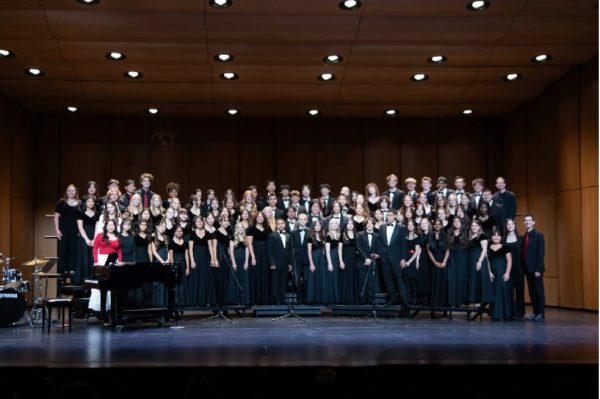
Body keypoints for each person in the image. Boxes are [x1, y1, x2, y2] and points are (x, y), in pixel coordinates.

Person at [379, 210, 409, 306]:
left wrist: (403, 258)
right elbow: (380, 243)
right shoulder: (382, 227)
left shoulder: (401, 228)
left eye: (390, 215)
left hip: (396, 258)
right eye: (387, 215)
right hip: (384, 258)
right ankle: (392, 299)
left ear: (395, 216)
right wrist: (380, 254)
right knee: (388, 280)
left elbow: (403, 244)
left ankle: (405, 302)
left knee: (399, 280)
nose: (388, 217)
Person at [522, 214, 546, 321]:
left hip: (536, 269)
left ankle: (541, 313)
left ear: (533, 222)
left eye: (529, 220)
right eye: (525, 221)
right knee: (531, 291)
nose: (527, 222)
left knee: (539, 291)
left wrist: (538, 269)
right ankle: (535, 312)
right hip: (527, 269)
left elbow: (541, 254)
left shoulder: (538, 235)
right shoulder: (525, 236)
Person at [55, 184, 81, 279]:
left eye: (72, 191)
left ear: (76, 192)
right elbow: (56, 216)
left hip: (75, 230)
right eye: (69, 190)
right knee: (63, 250)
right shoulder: (61, 202)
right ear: (66, 192)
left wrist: (80, 230)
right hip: (63, 230)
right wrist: (57, 230)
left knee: (73, 250)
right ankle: (63, 270)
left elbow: (80, 217)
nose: (71, 192)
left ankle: (71, 269)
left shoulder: (79, 203)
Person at [189, 216, 216, 307]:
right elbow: (190, 249)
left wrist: (212, 258)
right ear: (195, 223)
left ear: (203, 222)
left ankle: (206, 301)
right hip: (196, 258)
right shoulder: (192, 234)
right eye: (197, 221)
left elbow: (210, 247)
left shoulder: (207, 233)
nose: (199, 223)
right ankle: (196, 302)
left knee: (205, 279)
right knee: (197, 279)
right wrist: (192, 261)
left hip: (205, 258)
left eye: (201, 221)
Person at [488, 228, 514, 320]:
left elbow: (509, 261)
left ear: (501, 237)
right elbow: (486, 261)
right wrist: (489, 272)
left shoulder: (506, 247)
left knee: (504, 293)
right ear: (491, 237)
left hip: (503, 272)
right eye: (494, 235)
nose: (496, 237)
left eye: (498, 235)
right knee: (494, 294)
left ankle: (507, 315)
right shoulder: (488, 247)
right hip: (493, 274)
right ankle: (495, 315)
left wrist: (507, 273)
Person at [247, 212, 271, 305]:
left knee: (265, 275)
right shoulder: (251, 229)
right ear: (255, 218)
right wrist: (253, 257)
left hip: (266, 254)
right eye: (258, 217)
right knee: (256, 276)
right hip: (256, 253)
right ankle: (256, 300)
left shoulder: (268, 228)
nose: (260, 218)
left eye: (262, 217)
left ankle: (265, 300)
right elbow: (249, 244)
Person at [356, 218, 382, 304]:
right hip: (362, 261)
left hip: (373, 261)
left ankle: (371, 301)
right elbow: (358, 248)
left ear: (374, 225)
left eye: (371, 223)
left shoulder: (377, 235)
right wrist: (366, 258)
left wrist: (376, 255)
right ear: (365, 225)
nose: (370, 225)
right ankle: (362, 301)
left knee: (371, 282)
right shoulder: (360, 234)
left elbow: (379, 248)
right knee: (362, 282)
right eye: (368, 223)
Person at [268, 218, 293, 305]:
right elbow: (269, 251)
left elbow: (290, 250)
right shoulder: (272, 235)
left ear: (285, 225)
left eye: (282, 223)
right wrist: (272, 263)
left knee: (283, 282)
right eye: (278, 224)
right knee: (276, 282)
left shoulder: (288, 235)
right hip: (276, 263)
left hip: (285, 263)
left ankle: (282, 299)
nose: (280, 225)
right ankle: (276, 299)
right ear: (276, 225)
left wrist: (290, 263)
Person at [446, 216, 469, 307]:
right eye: (454, 221)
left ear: (461, 223)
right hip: (452, 258)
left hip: (462, 258)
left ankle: (461, 301)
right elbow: (447, 247)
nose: (456, 223)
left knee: (461, 279)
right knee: (452, 279)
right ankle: (452, 301)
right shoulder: (449, 233)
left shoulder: (465, 233)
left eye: (458, 221)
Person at [504, 218, 525, 319]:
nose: (510, 226)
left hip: (519, 268)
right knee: (509, 290)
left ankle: (520, 313)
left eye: (512, 224)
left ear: (515, 225)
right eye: (508, 224)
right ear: (506, 226)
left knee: (520, 290)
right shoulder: (504, 239)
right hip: (508, 269)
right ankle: (510, 312)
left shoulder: (520, 238)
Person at [75, 194, 98, 284]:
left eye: (92, 201)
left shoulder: (96, 214)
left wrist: (94, 239)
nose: (91, 203)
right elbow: (80, 227)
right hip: (84, 237)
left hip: (93, 237)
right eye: (89, 201)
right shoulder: (80, 213)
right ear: (85, 203)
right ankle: (83, 279)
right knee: (84, 257)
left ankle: (91, 279)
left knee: (92, 258)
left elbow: (97, 227)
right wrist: (87, 239)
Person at [427, 219, 449, 310]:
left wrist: (444, 262)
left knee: (443, 283)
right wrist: (435, 262)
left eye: (439, 224)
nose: (437, 225)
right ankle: (434, 304)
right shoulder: (430, 236)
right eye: (435, 224)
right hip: (433, 261)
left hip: (443, 260)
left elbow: (448, 250)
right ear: (433, 225)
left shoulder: (445, 235)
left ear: (441, 225)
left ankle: (443, 305)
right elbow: (429, 251)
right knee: (434, 282)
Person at [229, 222, 250, 306]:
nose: (240, 228)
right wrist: (233, 262)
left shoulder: (246, 238)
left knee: (244, 280)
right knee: (236, 280)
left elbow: (247, 250)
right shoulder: (233, 238)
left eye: (241, 227)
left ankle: (244, 301)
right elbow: (231, 251)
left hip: (244, 261)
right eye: (238, 227)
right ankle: (236, 301)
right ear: (236, 229)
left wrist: (246, 261)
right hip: (236, 261)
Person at [291, 213, 310, 304]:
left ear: (307, 220)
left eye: (304, 219)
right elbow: (291, 246)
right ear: (298, 220)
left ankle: (306, 298)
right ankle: (299, 298)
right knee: (297, 280)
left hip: (307, 259)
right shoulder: (293, 232)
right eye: (301, 219)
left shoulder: (311, 231)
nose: (302, 221)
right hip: (296, 259)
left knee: (306, 279)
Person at [339, 218, 357, 304]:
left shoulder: (356, 235)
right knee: (346, 278)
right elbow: (339, 249)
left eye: (352, 224)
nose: (350, 225)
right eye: (348, 224)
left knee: (353, 278)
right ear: (346, 225)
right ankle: (345, 300)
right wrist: (341, 261)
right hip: (345, 258)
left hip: (354, 259)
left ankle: (353, 300)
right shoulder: (342, 235)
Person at [307, 219, 326, 304]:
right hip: (314, 258)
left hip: (321, 258)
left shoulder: (323, 235)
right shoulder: (310, 236)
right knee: (313, 278)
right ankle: (312, 299)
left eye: (319, 225)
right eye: (316, 225)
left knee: (321, 277)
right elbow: (309, 251)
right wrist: (311, 263)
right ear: (313, 227)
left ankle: (320, 299)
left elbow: (324, 249)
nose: (318, 227)